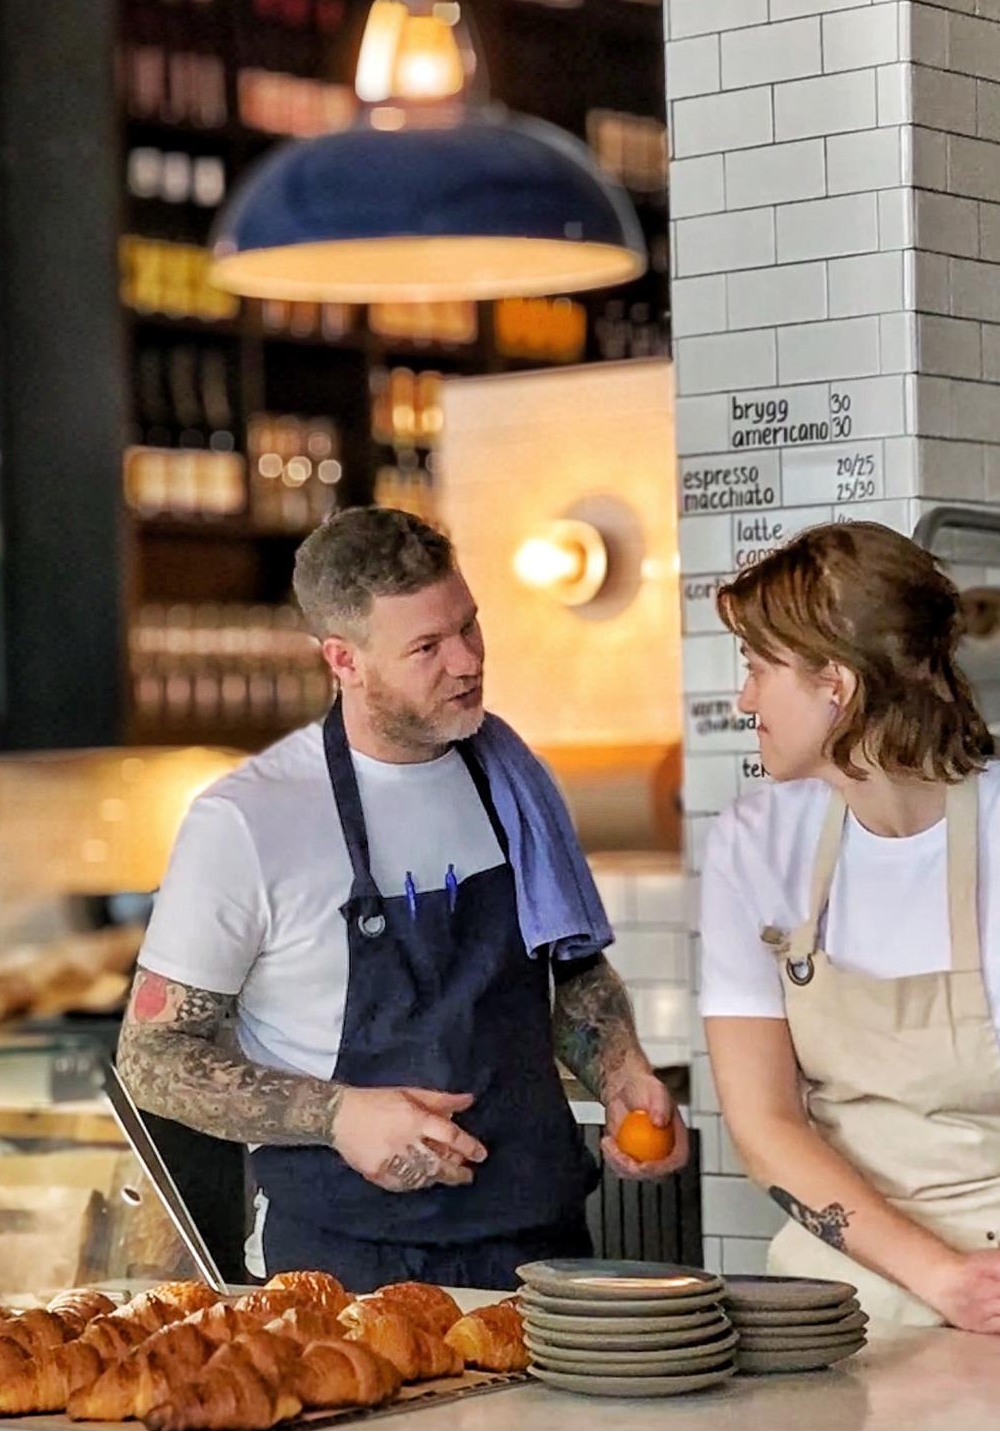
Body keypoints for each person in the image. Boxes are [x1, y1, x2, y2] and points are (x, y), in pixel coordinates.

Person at [117, 506, 686, 1290]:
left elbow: (575, 978)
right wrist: (337, 1116)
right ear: (343, 660)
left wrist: (621, 1071)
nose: (465, 662)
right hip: (341, 1269)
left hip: (539, 1248)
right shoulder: (247, 821)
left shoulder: (509, 779)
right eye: (426, 646)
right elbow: (152, 1060)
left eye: (468, 627)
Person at [700, 520, 1000, 1336]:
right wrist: (943, 1278)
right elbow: (764, 1123)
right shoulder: (754, 846)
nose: (745, 699)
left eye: (758, 667)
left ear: (835, 683)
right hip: (834, 1311)